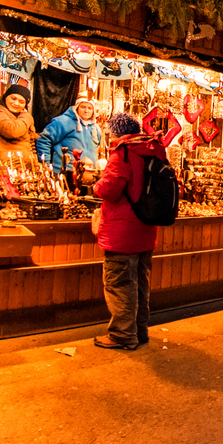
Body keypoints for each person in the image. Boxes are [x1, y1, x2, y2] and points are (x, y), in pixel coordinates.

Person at [92, 112, 168, 350]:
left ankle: (123, 335)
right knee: (139, 283)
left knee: (120, 283)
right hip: (145, 228)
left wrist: (96, 184)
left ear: (115, 133)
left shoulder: (123, 153)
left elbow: (110, 188)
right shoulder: (153, 149)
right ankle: (140, 330)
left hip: (122, 231)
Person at [0, 83, 37, 160]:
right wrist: (26, 116)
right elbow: (12, 130)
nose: (16, 103)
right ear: (6, 97)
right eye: (13, 99)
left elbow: (31, 143)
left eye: (21, 102)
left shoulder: (21, 116)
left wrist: (35, 163)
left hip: (21, 165)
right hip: (1, 164)